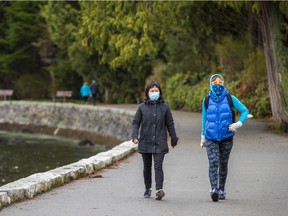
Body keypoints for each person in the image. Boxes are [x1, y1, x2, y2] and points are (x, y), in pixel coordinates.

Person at [200, 74, 249, 202]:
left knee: (223, 164)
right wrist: (202, 136)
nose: (217, 84)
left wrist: (239, 123)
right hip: (211, 137)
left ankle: (221, 189)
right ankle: (214, 190)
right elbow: (204, 119)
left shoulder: (230, 98)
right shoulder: (206, 101)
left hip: (226, 137)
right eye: (215, 82)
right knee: (213, 162)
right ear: (211, 84)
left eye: (220, 82)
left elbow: (244, 110)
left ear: (224, 83)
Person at [132, 81, 179, 201]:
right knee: (146, 167)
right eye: (152, 91)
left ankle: (159, 190)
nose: (154, 93)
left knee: (158, 166)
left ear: (160, 92)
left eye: (156, 90)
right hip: (145, 141)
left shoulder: (165, 107)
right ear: (147, 93)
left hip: (160, 141)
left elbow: (170, 123)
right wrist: (134, 136)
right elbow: (136, 122)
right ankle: (148, 188)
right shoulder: (142, 107)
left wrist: (174, 138)